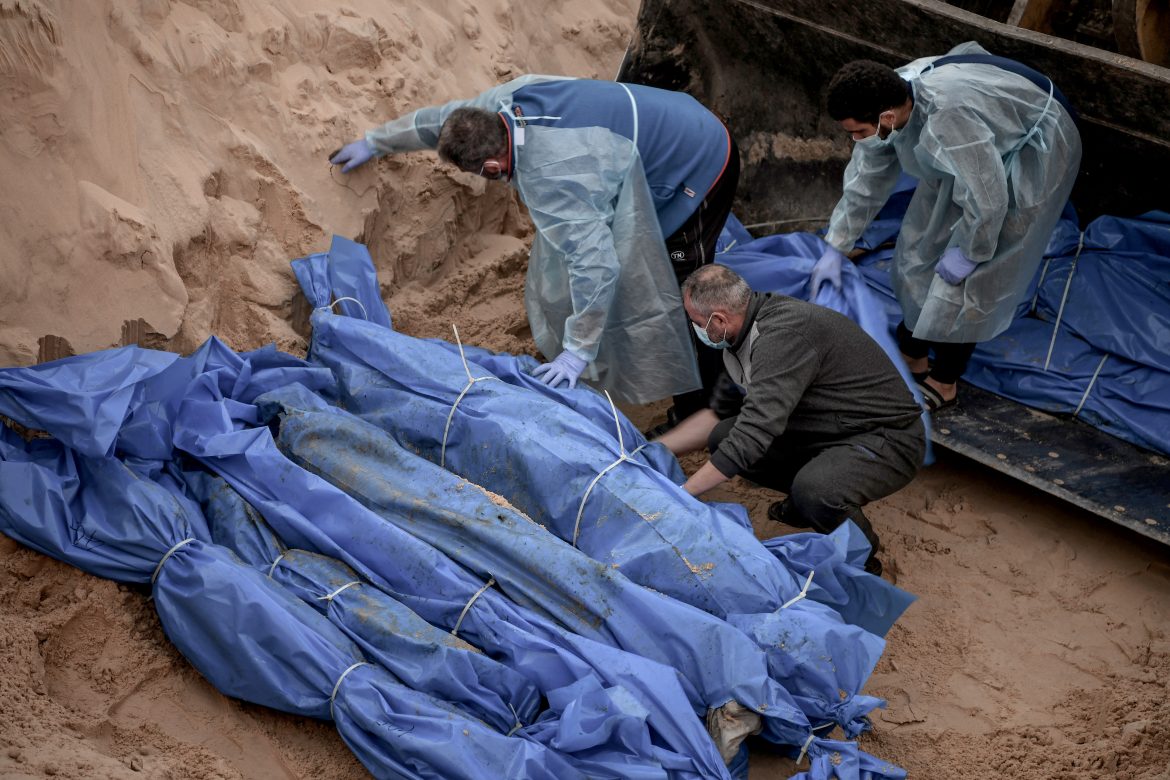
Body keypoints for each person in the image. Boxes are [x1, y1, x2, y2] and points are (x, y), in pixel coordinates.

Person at [330, 75, 738, 408]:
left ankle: (704, 408)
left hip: (698, 159)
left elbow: (596, 266)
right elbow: (443, 122)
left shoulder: (554, 176)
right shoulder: (502, 103)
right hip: (659, 119)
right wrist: (377, 141)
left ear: (491, 167)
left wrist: (577, 351)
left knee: (685, 287)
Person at [810, 42, 1081, 411]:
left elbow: (989, 200)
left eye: (858, 131)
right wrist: (835, 245)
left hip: (1037, 139)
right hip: (977, 130)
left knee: (969, 280)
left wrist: (972, 253)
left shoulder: (949, 122)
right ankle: (912, 353)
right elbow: (865, 181)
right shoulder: (891, 96)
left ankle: (946, 379)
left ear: (886, 118)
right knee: (917, 254)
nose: (855, 139)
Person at [658, 264, 925, 575]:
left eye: (695, 323)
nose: (696, 330)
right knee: (722, 436)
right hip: (828, 425)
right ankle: (805, 502)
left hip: (888, 438)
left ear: (719, 320)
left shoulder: (781, 336)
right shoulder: (737, 336)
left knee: (817, 491)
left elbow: (756, 430)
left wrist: (683, 496)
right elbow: (716, 415)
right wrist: (650, 450)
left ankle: (862, 556)